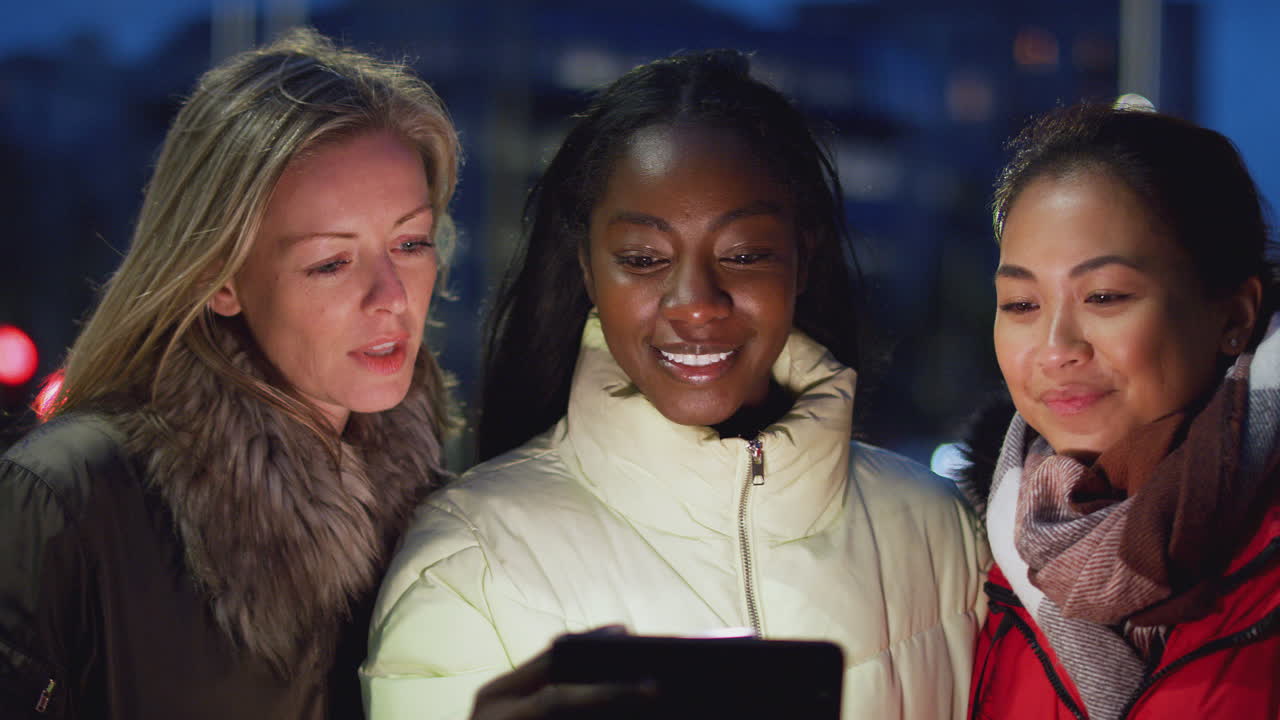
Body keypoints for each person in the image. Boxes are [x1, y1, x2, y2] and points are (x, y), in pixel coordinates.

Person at [363, 50, 988, 720]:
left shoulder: (936, 529)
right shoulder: (471, 560)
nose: (695, 303)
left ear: (801, 259)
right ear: (588, 269)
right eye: (643, 259)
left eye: (744, 255)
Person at [0, 28, 459, 719]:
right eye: (332, 262)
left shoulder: (441, 522)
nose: (390, 295)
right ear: (221, 277)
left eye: (411, 243)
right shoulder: (74, 497)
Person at [968, 103, 1280, 719]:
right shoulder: (973, 567)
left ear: (1234, 317)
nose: (1057, 348)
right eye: (1022, 303)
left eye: (1105, 296)